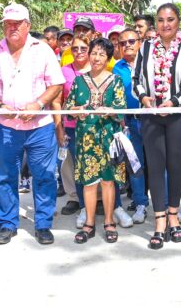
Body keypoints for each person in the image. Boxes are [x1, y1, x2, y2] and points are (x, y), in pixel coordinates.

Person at [0, 3, 65, 246]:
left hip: (40, 127)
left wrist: (38, 104)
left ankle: (43, 224)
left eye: (17, 23)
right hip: (6, 128)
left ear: (28, 25)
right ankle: (7, 224)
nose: (12, 27)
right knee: (5, 176)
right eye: (8, 23)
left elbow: (56, 84)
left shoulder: (44, 50)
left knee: (45, 176)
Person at [133, 3, 181, 249]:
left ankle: (173, 214)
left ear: (178, 22)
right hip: (151, 114)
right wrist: (144, 98)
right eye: (160, 20)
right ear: (156, 24)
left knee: (174, 164)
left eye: (170, 19)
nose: (165, 24)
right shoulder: (146, 47)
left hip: (179, 114)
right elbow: (136, 78)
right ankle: (159, 219)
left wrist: (173, 101)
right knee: (155, 165)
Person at [65, 38, 127, 244]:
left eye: (101, 54)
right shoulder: (79, 81)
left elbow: (121, 110)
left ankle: (109, 222)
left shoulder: (116, 80)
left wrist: (110, 111)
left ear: (108, 58)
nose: (96, 57)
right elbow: (68, 108)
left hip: (109, 138)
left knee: (108, 182)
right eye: (94, 53)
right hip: (86, 138)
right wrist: (77, 111)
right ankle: (89, 224)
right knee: (89, 182)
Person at [113, 28, 150, 224]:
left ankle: (171, 206)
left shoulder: (150, 64)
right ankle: (140, 203)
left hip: (153, 121)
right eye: (122, 43)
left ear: (140, 42)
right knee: (136, 166)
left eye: (131, 41)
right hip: (129, 123)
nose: (127, 45)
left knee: (160, 165)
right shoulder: (116, 69)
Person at [58, 36, 89, 222]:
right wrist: (59, 128)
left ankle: (93, 202)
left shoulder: (97, 69)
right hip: (71, 127)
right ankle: (79, 202)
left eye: (83, 48)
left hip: (93, 127)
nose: (78, 52)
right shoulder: (63, 72)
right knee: (74, 167)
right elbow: (57, 101)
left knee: (90, 166)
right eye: (75, 48)